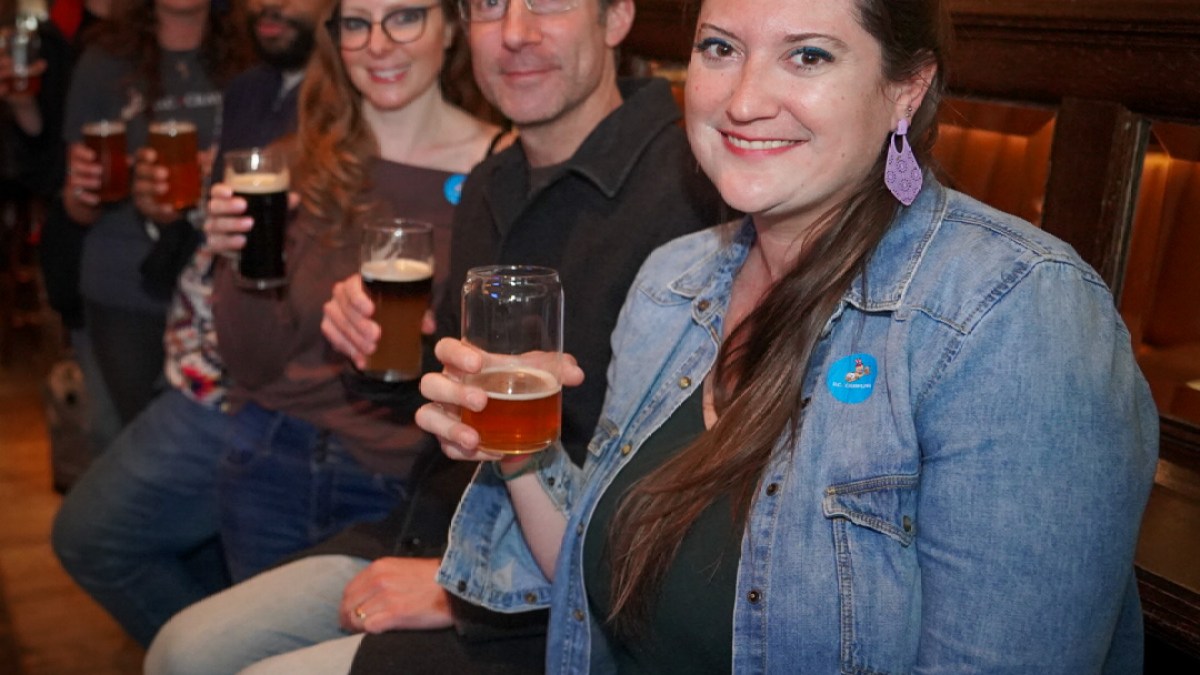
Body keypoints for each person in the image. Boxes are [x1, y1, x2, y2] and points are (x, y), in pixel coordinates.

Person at [420, 0, 1161, 671]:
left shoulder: (1015, 313)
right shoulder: (672, 283)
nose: (744, 100)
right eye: (719, 49)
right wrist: (520, 453)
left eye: (808, 55)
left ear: (907, 89)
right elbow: (598, 591)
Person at [145, 0, 728, 672]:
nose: (515, 33)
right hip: (433, 523)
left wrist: (465, 593)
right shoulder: (490, 180)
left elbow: (677, 496)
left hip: (556, 598)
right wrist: (378, 353)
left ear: (617, 17)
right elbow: (462, 398)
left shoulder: (694, 188)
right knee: (182, 650)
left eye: (548, 2)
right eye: (490, 5)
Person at [200, 0, 502, 585]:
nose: (378, 45)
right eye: (357, 24)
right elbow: (251, 364)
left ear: (451, 29)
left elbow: (503, 367)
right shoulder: (290, 164)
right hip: (269, 459)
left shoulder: (502, 169)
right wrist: (238, 263)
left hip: (401, 481)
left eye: (406, 17)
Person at [50, 0, 322, 648]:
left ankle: (211, 649)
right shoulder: (241, 80)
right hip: (166, 322)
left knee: (127, 531)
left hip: (251, 372)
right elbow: (74, 197)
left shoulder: (274, 64)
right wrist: (131, 199)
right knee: (136, 514)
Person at [59, 0, 252, 435]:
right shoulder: (101, 63)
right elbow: (78, 208)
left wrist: (222, 172)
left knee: (218, 442)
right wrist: (86, 189)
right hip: (126, 285)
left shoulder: (253, 56)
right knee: (136, 442)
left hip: (224, 289)